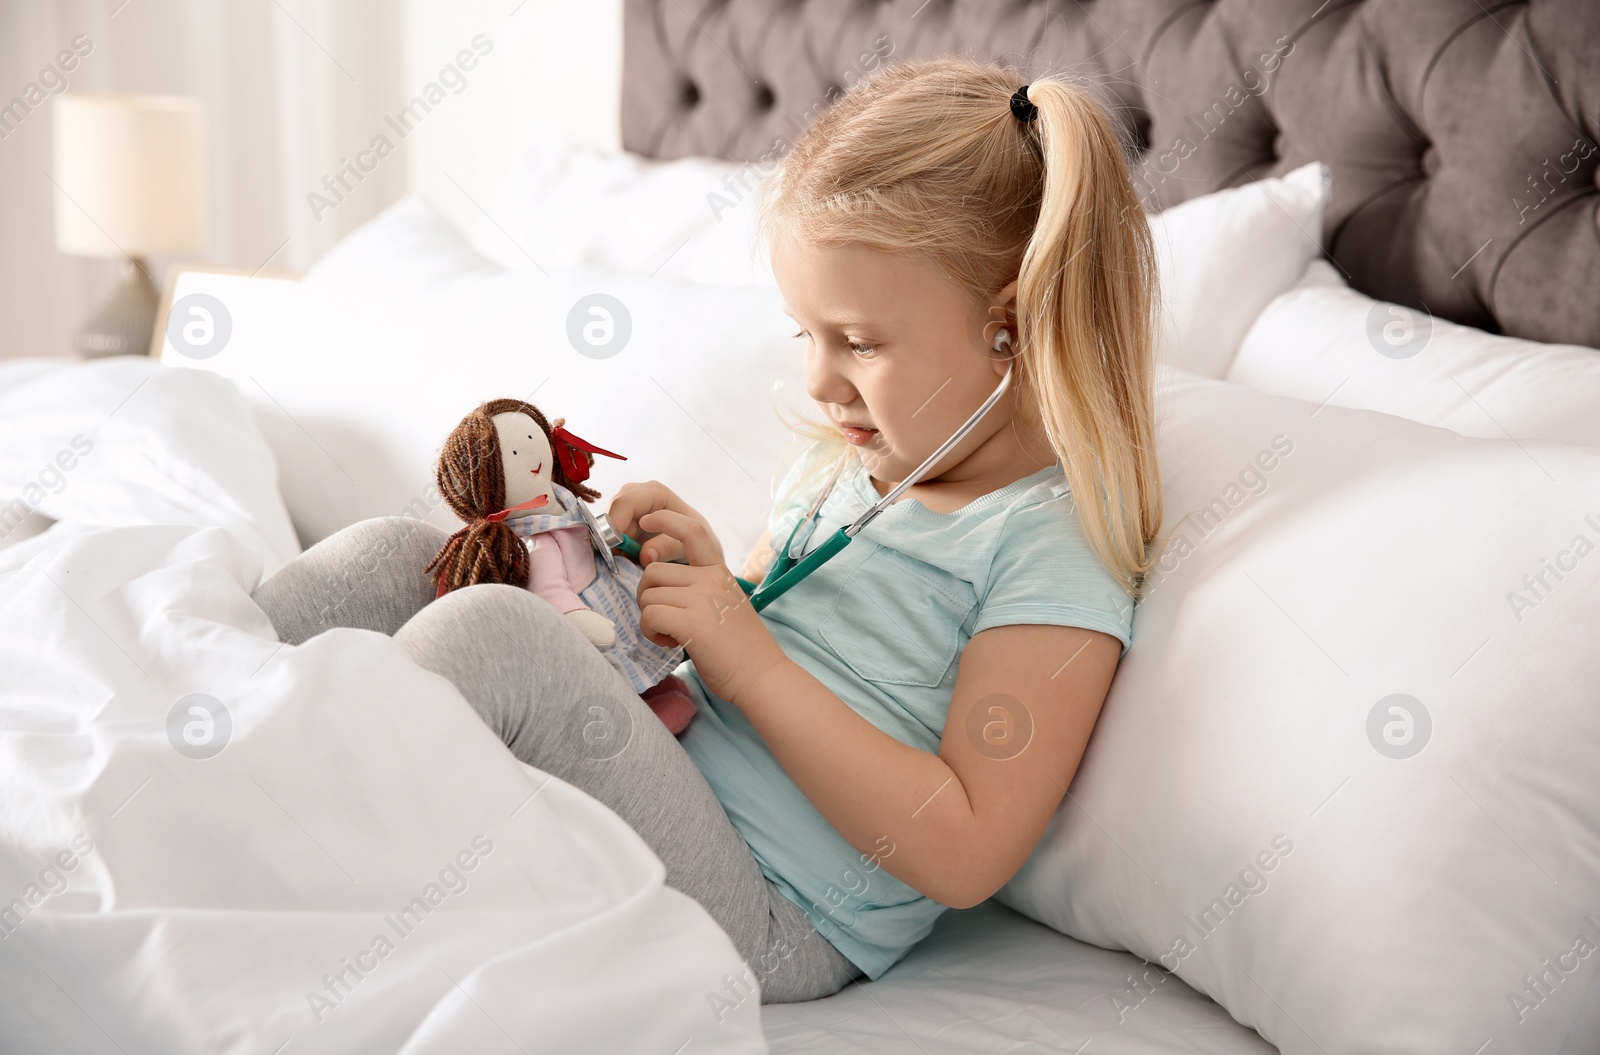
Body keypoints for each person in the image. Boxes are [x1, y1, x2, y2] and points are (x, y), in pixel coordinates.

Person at [251, 55, 1162, 1005]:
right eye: (805, 335)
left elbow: (970, 847)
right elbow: (738, 636)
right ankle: (207, 689)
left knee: (490, 636)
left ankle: (277, 837)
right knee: (399, 556)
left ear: (1008, 331)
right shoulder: (846, 469)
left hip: (771, 909)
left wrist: (746, 658)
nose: (820, 380)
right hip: (670, 775)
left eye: (858, 342)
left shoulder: (1049, 547)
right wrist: (684, 581)